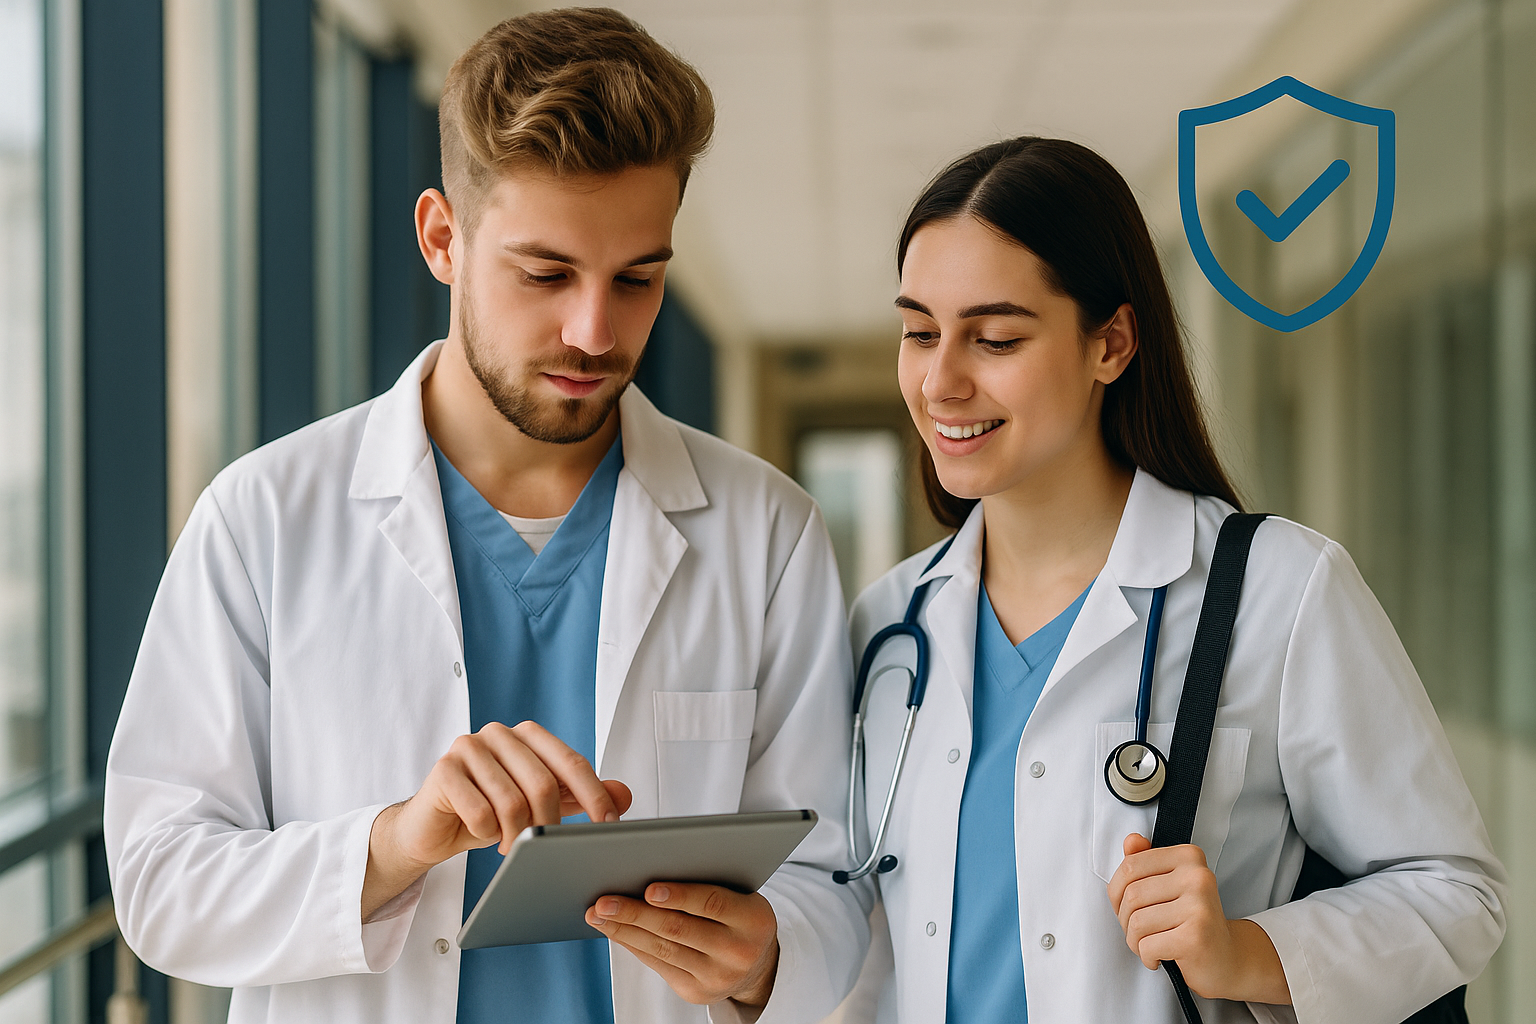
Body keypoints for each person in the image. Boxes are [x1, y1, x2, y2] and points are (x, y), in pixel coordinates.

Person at [104, 9, 869, 1024]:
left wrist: (770, 951)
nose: (594, 330)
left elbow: (835, 878)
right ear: (442, 239)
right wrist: (397, 841)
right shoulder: (264, 520)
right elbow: (160, 886)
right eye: (545, 274)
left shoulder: (765, 532)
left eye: (638, 278)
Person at [841, 136, 1505, 1023]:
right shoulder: (890, 627)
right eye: (919, 332)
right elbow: (860, 942)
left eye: (994, 338)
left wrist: (1248, 951)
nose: (940, 380)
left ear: (1111, 343)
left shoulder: (1277, 591)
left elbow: (1457, 892)